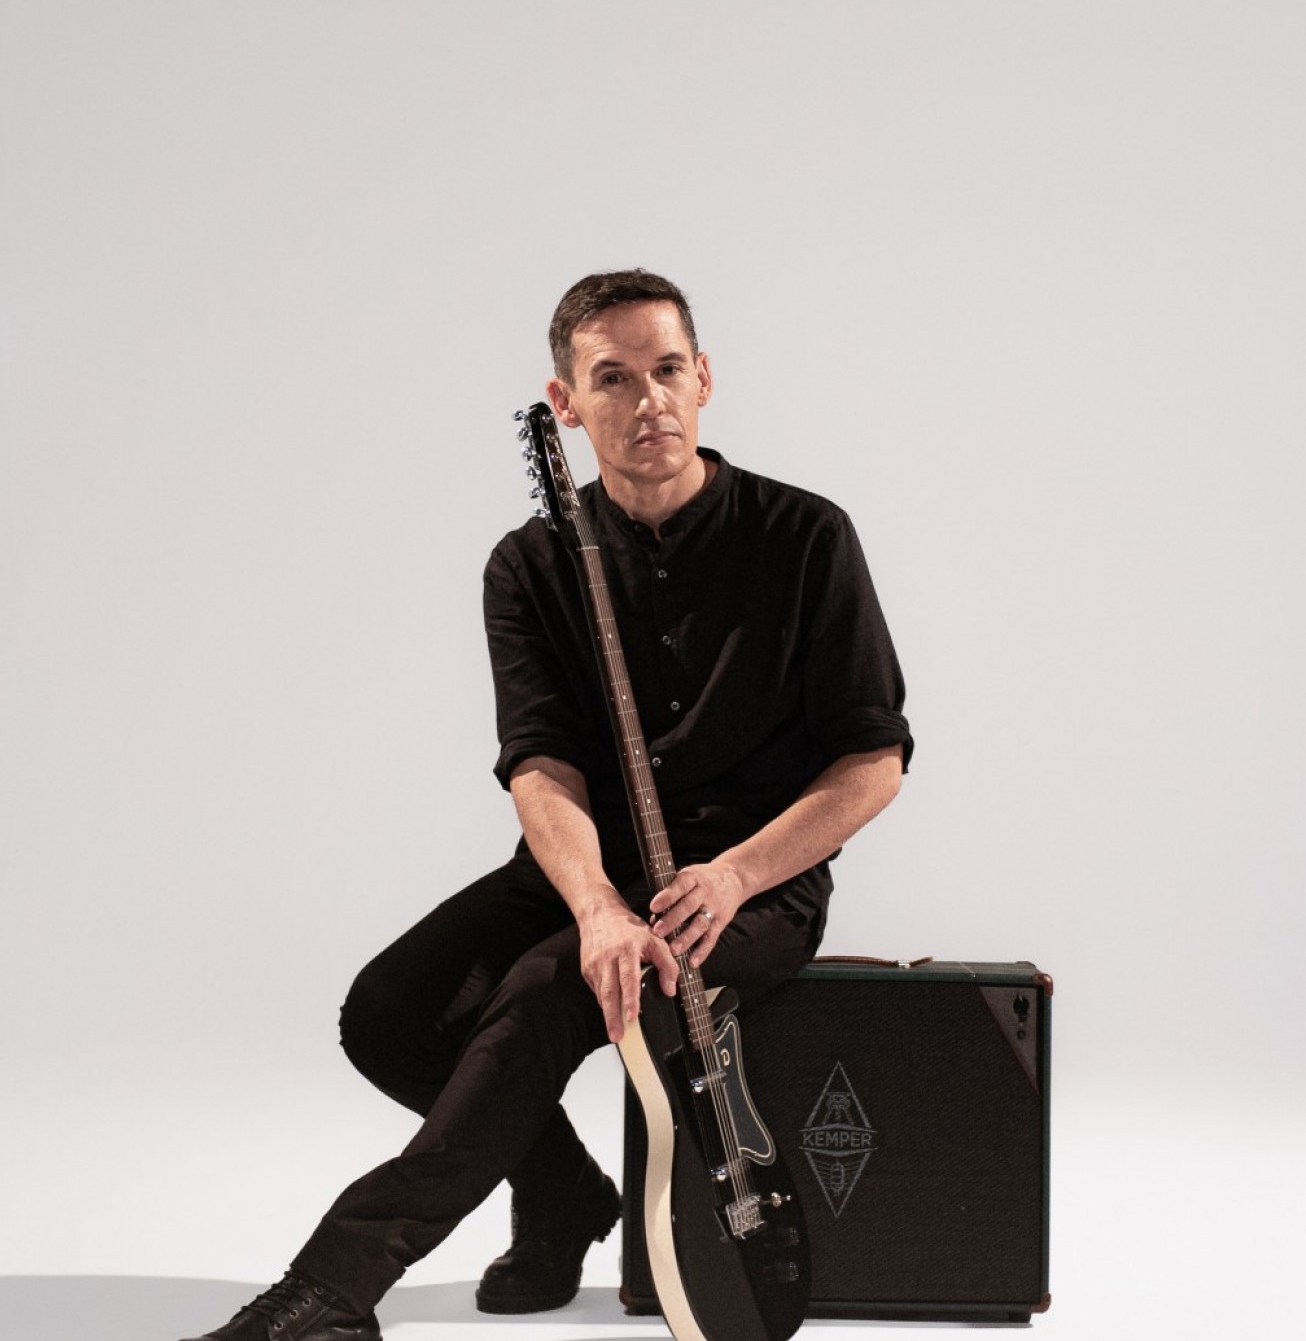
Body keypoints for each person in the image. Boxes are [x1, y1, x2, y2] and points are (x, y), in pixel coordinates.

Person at [181, 269, 912, 1341]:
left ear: (704, 378)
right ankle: (564, 1193)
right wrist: (597, 906)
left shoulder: (805, 536)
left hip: (751, 881)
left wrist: (734, 874)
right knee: (391, 1012)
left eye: (667, 370)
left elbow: (872, 761)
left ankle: (336, 1284)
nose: (647, 400)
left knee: (542, 991)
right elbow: (542, 768)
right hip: (590, 865)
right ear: (565, 403)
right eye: (612, 378)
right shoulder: (528, 566)